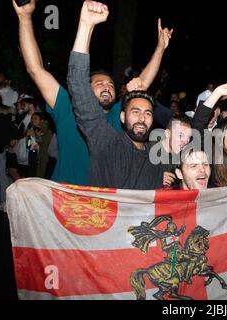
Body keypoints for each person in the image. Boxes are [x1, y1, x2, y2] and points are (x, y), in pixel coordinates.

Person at [13, 0, 173, 185]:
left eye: (111, 85)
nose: (107, 87)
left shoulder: (120, 115)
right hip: (65, 198)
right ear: (84, 89)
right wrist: (24, 17)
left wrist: (161, 47)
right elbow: (35, 69)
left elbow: (143, 83)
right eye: (99, 83)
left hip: (104, 203)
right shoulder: (66, 105)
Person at [68, 2, 163, 189]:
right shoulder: (106, 141)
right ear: (122, 116)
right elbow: (78, 84)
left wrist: (161, 47)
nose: (142, 118)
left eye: (148, 113)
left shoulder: (155, 160)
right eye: (135, 111)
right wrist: (86, 25)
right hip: (103, 218)